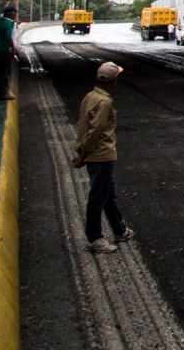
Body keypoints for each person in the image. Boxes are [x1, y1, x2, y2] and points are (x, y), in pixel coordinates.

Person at [72, 61, 134, 253]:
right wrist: (82, 154)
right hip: (101, 156)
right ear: (112, 81)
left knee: (108, 195)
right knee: (98, 197)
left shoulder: (90, 96)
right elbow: (95, 131)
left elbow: (83, 125)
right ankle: (95, 238)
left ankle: (119, 230)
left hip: (96, 156)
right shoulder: (105, 102)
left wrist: (82, 151)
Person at [0, 4, 18, 101]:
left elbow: (1, 15)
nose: (16, 15)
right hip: (5, 51)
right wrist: (13, 49)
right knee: (5, 73)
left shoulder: (0, 21)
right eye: (15, 13)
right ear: (11, 13)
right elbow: (9, 38)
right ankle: (3, 93)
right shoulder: (9, 24)